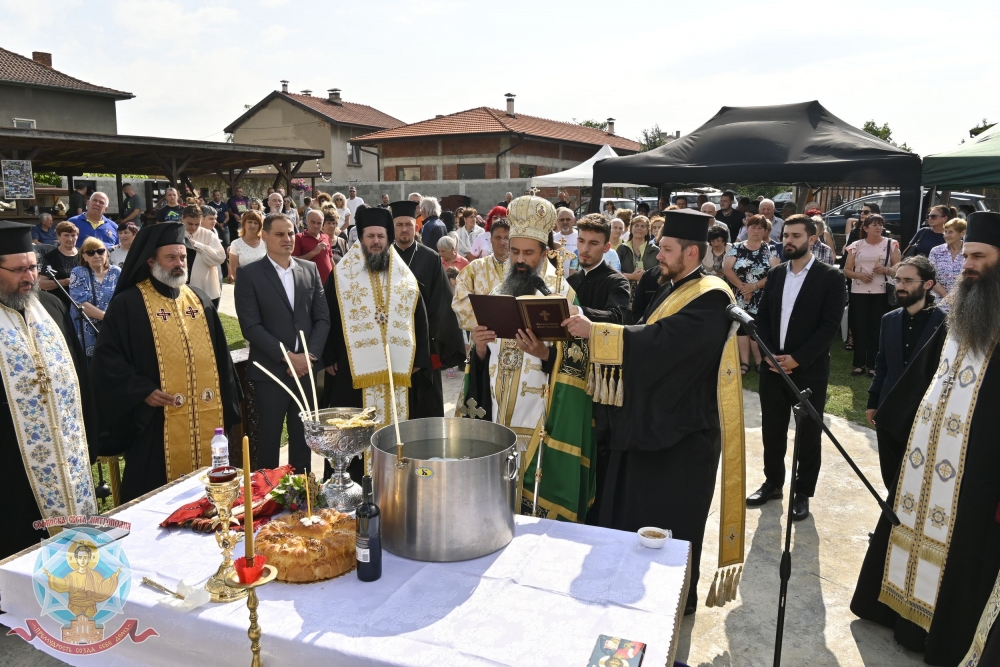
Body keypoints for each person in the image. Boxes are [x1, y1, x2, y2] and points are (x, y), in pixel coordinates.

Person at [564, 208, 746, 615]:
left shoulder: (712, 295)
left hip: (683, 434)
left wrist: (597, 331)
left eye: (666, 249)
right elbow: (645, 328)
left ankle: (672, 601)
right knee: (634, 514)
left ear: (691, 252)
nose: (657, 256)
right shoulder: (672, 285)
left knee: (670, 522)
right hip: (653, 421)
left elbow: (663, 341)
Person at [851, 211, 1000, 666]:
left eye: (978, 257)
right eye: (966, 255)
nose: (966, 265)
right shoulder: (961, 310)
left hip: (977, 469)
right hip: (926, 458)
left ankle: (939, 632)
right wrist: (890, 417)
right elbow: (925, 375)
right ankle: (897, 611)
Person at [465, 196, 595, 521]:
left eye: (528, 253)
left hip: (541, 418)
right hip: (498, 414)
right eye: (514, 252)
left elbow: (578, 364)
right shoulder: (497, 293)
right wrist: (478, 348)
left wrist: (544, 354)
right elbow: (483, 359)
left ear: (545, 252)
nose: (520, 260)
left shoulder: (563, 295)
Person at [93, 222, 241, 502]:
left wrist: (228, 404)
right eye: (170, 258)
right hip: (154, 423)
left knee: (211, 494)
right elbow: (107, 359)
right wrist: (142, 390)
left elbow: (222, 357)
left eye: (182, 257)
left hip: (206, 418)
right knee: (155, 497)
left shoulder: (199, 299)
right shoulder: (129, 304)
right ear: (151, 261)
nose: (179, 264)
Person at [0, 221, 97, 559]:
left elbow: (80, 376)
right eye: (18, 270)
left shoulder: (52, 307)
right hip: (11, 463)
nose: (29, 277)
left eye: (33, 267)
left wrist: (91, 439)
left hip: (69, 456)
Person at [745, 215, 846, 521]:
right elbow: (762, 318)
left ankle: (802, 493)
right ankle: (773, 483)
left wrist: (798, 358)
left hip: (808, 370)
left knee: (808, 435)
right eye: (786, 235)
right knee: (772, 429)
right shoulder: (776, 274)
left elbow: (829, 327)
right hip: (772, 368)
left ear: (812, 239)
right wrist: (767, 355)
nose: (788, 241)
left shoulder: (831, 277)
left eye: (796, 236)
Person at [234, 214, 329, 473]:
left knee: (303, 441)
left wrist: (308, 357)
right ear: (264, 236)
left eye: (290, 233)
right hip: (270, 372)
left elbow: (322, 318)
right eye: (279, 234)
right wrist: (288, 357)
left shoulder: (309, 270)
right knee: (268, 442)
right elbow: (251, 326)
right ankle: (267, 494)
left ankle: (302, 493)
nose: (287, 239)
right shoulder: (249, 274)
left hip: (306, 372)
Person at [323, 207, 431, 430]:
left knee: (398, 427)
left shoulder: (405, 277)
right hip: (352, 366)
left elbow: (419, 317)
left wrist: (419, 358)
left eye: (381, 236)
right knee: (355, 429)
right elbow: (328, 315)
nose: (376, 242)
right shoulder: (341, 275)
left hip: (398, 365)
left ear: (388, 238)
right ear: (361, 239)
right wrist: (330, 354)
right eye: (370, 236)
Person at [566, 214, 630, 524]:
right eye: (581, 241)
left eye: (593, 243)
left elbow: (618, 317)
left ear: (606, 247)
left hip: (600, 378)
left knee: (599, 443)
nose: (585, 249)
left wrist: (578, 312)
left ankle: (600, 512)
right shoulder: (572, 281)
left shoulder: (616, 281)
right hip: (569, 373)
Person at [865, 256, 944, 488]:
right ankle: (889, 514)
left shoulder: (945, 324)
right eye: (898, 280)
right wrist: (873, 402)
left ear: (928, 284)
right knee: (891, 478)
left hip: (924, 416)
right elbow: (882, 363)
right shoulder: (888, 320)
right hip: (889, 412)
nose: (900, 286)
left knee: (918, 482)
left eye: (908, 281)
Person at [382, 200, 465, 416]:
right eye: (399, 225)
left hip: (425, 346)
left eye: (408, 225)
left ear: (416, 227)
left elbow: (441, 306)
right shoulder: (381, 258)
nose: (404, 229)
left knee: (426, 411)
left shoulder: (431, 258)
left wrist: (425, 352)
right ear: (392, 228)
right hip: (389, 346)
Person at [844, 213, 900, 376]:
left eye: (880, 224)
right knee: (859, 327)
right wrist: (858, 275)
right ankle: (858, 363)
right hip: (858, 291)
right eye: (875, 224)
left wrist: (886, 270)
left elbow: (899, 268)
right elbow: (847, 270)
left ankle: (873, 364)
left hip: (881, 292)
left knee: (877, 328)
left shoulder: (890, 244)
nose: (878, 227)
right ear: (865, 228)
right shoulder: (856, 245)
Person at [723, 215, 780, 374]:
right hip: (740, 294)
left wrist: (753, 287)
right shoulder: (736, 247)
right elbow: (727, 269)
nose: (756, 231)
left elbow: (775, 272)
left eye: (760, 228)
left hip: (763, 296)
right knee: (741, 327)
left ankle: (760, 361)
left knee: (758, 328)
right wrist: (744, 289)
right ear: (746, 229)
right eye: (753, 227)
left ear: (765, 231)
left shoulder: (770, 249)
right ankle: (745, 362)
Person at [452, 216, 510, 331]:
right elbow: (459, 302)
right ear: (490, 239)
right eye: (498, 237)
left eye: (507, 238)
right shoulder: (474, 268)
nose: (502, 242)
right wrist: (484, 305)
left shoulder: (522, 267)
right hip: (484, 334)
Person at [69, 237, 121, 358]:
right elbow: (80, 303)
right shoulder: (78, 272)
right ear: (84, 256)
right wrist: (107, 317)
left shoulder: (117, 272)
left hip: (111, 329)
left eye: (100, 251)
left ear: (106, 253)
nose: (96, 255)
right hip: (85, 330)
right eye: (91, 252)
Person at [180, 205, 226, 308]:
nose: (193, 227)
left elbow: (220, 257)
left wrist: (199, 245)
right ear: (182, 218)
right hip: (181, 286)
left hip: (206, 288)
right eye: (190, 224)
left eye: (197, 224)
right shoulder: (176, 233)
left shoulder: (209, 235)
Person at [617, 215, 658, 305]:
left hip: (647, 298)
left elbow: (660, 273)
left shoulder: (655, 251)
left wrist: (646, 276)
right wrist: (631, 276)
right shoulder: (622, 249)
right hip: (624, 297)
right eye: (636, 225)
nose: (639, 228)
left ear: (647, 231)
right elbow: (614, 273)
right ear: (631, 229)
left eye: (643, 226)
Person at [39, 221, 80, 307]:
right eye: (66, 235)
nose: (70, 239)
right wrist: (64, 282)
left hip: (82, 303)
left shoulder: (84, 254)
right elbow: (41, 283)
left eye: (73, 235)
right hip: (60, 303)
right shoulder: (51, 257)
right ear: (58, 236)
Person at [928, 218, 967, 310]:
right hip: (940, 305)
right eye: (945, 232)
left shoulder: (969, 252)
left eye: (950, 232)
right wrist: (947, 298)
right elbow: (931, 277)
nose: (946, 235)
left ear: (962, 233)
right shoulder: (936, 251)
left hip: (965, 304)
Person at [293, 208, 334, 285]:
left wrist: (336, 276)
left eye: (319, 223)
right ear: (306, 221)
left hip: (328, 283)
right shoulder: (299, 238)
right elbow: (294, 261)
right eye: (313, 222)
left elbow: (330, 259)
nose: (316, 225)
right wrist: (313, 252)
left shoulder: (326, 237)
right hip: (310, 284)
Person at [228, 210, 267, 283]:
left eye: (256, 223)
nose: (252, 225)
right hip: (244, 283)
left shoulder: (265, 242)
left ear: (260, 226)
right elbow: (234, 270)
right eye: (250, 222)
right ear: (244, 224)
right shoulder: (236, 244)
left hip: (264, 283)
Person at [552, 208, 579, 275]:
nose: (565, 222)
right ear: (557, 221)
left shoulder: (580, 238)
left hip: (575, 278)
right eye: (562, 219)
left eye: (568, 219)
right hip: (556, 277)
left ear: (574, 220)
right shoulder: (553, 239)